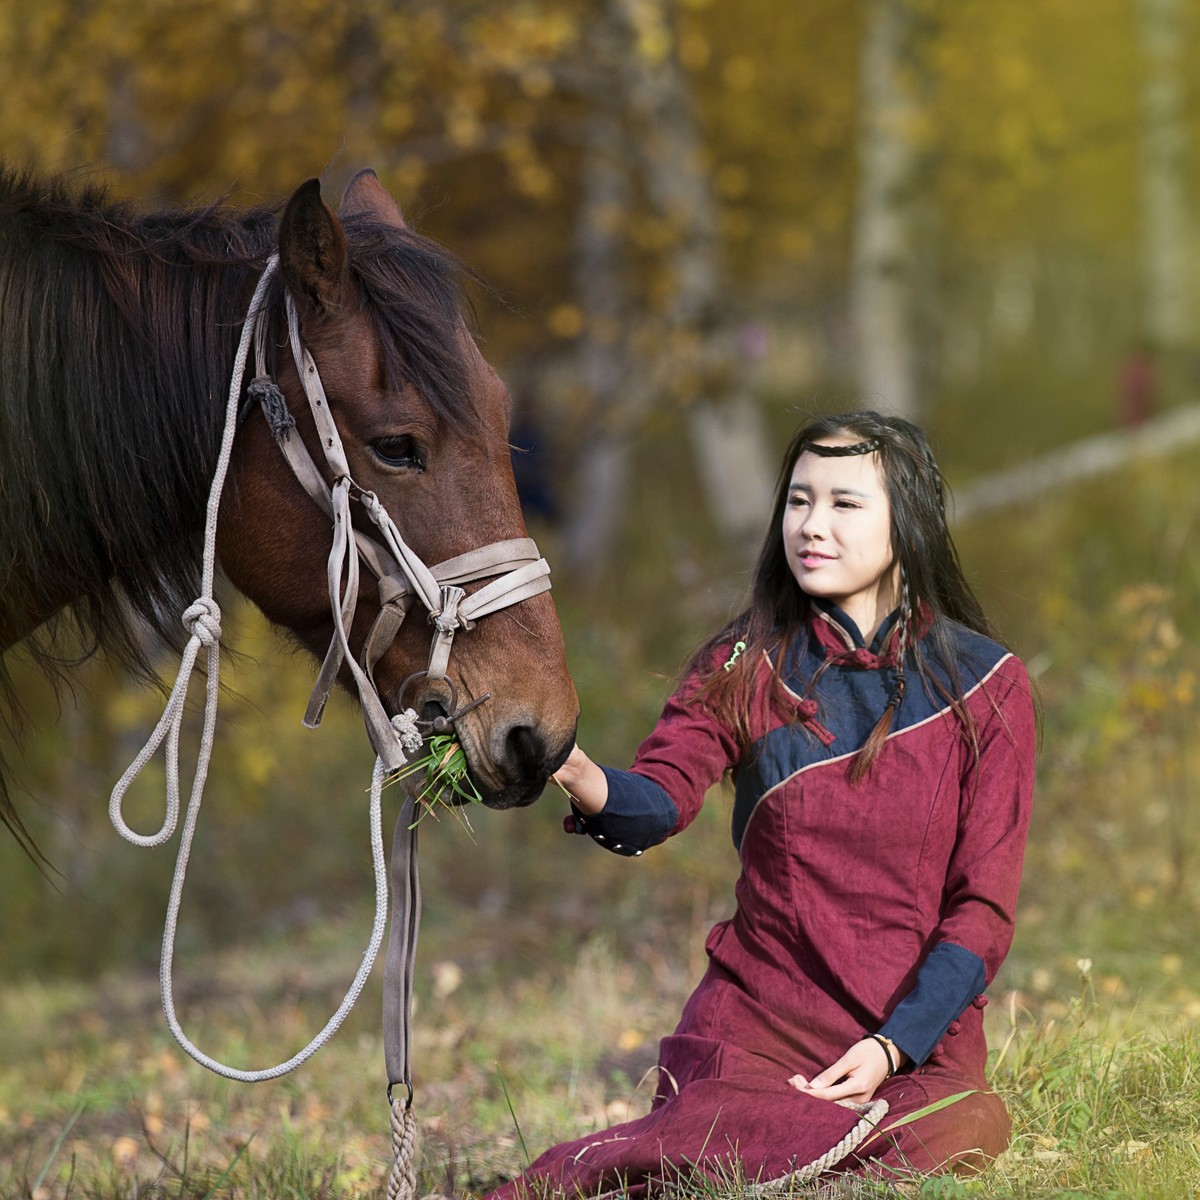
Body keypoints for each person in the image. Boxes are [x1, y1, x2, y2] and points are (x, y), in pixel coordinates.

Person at [488, 411, 1036, 1196]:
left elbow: (982, 912)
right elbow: (657, 801)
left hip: (915, 1032)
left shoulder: (987, 685)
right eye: (799, 501)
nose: (812, 526)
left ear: (907, 524)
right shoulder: (741, 664)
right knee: (709, 1131)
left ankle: (785, 1160)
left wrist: (891, 1048)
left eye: (846, 504)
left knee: (963, 1123)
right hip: (756, 1024)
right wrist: (572, 767)